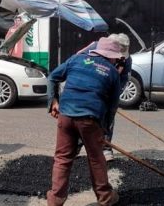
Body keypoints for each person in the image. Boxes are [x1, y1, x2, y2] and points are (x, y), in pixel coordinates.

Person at [46, 37, 122, 206]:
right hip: (90, 119)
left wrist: (53, 101)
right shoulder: (112, 72)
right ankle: (105, 197)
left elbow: (52, 77)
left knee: (62, 158)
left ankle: (55, 201)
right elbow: (112, 107)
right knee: (96, 158)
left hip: (65, 116)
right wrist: (105, 131)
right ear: (111, 56)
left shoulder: (76, 59)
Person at [77, 33, 131, 161]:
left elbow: (123, 79)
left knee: (108, 119)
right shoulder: (95, 47)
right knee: (84, 118)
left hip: (110, 91)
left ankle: (106, 148)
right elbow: (80, 60)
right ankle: (77, 146)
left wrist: (114, 93)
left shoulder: (127, 59)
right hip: (89, 88)